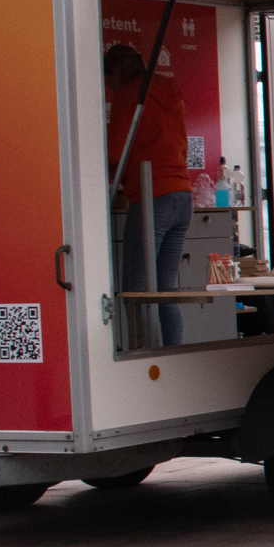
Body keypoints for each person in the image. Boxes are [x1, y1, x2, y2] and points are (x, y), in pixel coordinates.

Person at [103, 45, 194, 347]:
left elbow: (114, 154)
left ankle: (139, 359)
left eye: (107, 80)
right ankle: (172, 355)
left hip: (153, 195)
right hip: (182, 195)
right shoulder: (169, 87)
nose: (108, 87)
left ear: (116, 73)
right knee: (165, 288)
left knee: (136, 289)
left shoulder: (129, 95)